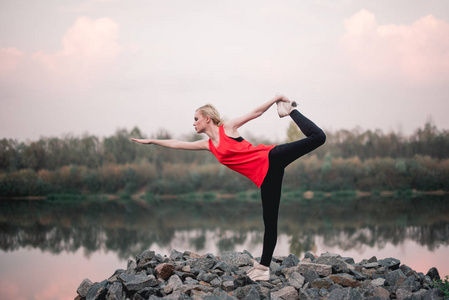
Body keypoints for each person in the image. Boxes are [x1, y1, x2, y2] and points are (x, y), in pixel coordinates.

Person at [131, 95, 326, 281]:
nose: (193, 123)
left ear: (207, 119)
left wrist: (277, 100)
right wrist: (151, 141)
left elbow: (255, 113)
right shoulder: (208, 145)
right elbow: (177, 143)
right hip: (265, 178)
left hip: (270, 157)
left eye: (196, 118)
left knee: (318, 137)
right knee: (270, 222)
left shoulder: (228, 128)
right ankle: (263, 269)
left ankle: (290, 110)